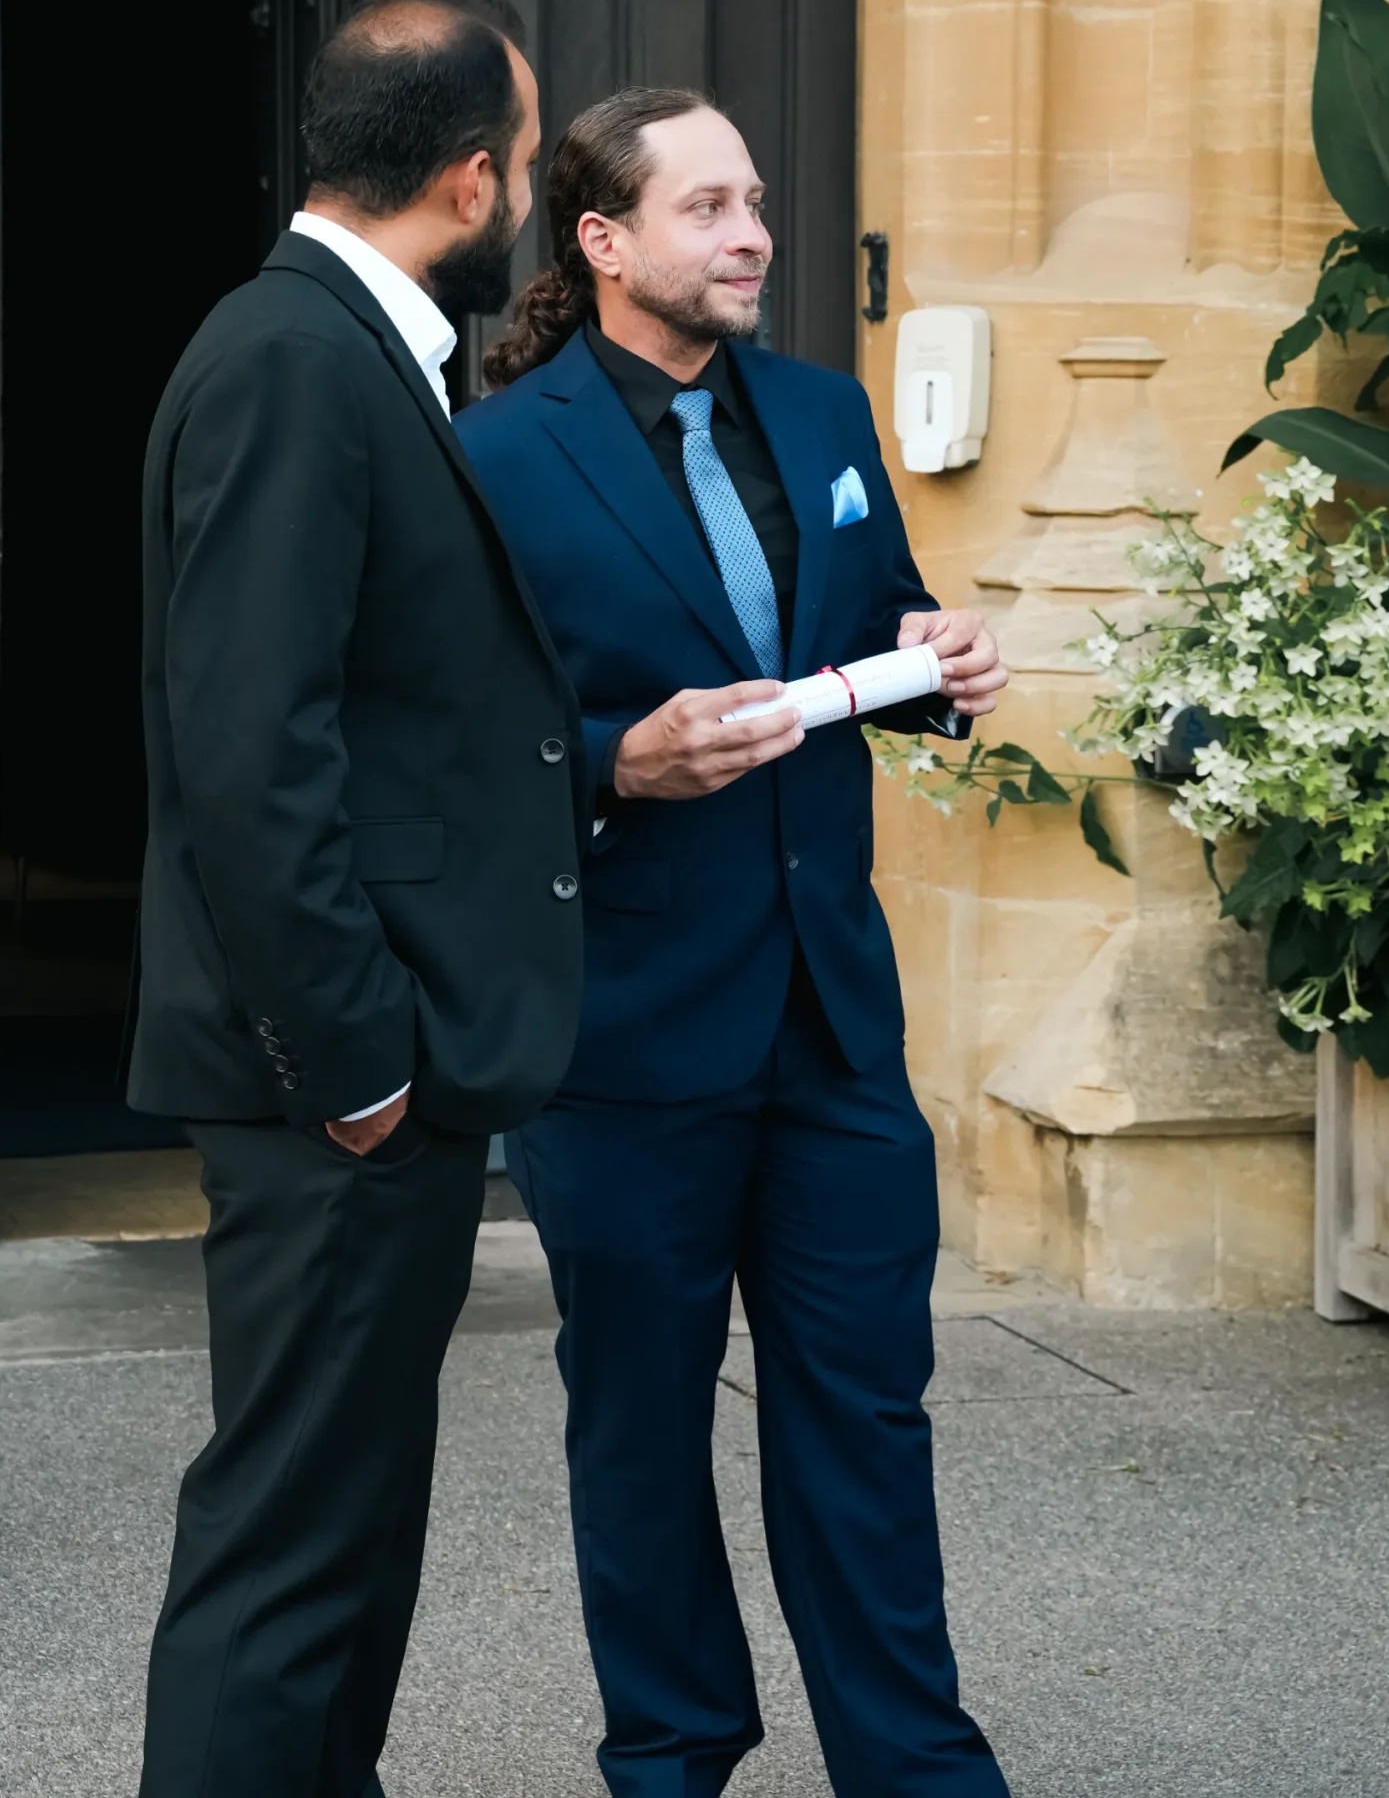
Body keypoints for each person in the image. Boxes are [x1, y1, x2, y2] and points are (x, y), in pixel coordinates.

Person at [458, 87, 1013, 1798]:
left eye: (755, 201)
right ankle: (672, 1757)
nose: (752, 234)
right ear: (602, 241)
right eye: (706, 208)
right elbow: (447, 741)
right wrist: (614, 762)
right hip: (623, 1029)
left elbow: (866, 630)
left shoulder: (824, 410)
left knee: (868, 1412)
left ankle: (914, 1771)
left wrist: (936, 665)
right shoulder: (495, 454)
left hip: (832, 1022)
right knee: (639, 1429)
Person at [128, 0, 585, 1798]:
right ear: (471, 181)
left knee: (348, 1533)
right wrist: (358, 1065)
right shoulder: (291, 358)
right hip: (334, 1082)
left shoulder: (353, 347)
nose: (528, 195)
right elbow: (253, 749)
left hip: (383, 1061)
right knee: (288, 1549)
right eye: (528, 162)